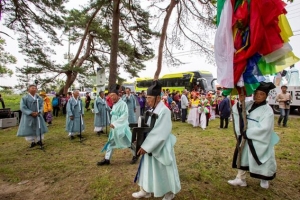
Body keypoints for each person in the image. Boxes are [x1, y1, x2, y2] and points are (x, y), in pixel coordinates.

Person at [132, 81, 181, 200]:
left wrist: (146, 146)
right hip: (149, 144)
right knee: (147, 169)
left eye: (150, 98)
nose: (147, 100)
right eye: (147, 98)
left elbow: (161, 132)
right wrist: (139, 140)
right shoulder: (153, 109)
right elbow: (147, 127)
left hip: (160, 145)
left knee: (163, 168)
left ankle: (169, 192)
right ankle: (145, 190)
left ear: (158, 98)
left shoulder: (164, 111)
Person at [228, 82, 279, 189]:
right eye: (256, 93)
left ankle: (264, 178)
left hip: (259, 140)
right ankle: (240, 178)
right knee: (243, 156)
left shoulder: (268, 110)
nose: (258, 96)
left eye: (261, 94)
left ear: (266, 96)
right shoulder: (250, 104)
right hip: (246, 139)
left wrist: (248, 133)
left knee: (263, 159)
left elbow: (265, 128)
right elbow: (237, 110)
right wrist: (241, 101)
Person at [97, 84, 137, 166]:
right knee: (110, 142)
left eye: (113, 95)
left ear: (118, 95)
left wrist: (115, 123)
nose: (112, 97)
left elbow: (125, 115)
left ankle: (135, 155)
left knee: (128, 142)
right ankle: (107, 159)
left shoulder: (123, 104)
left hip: (122, 127)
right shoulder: (114, 103)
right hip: (114, 128)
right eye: (110, 96)